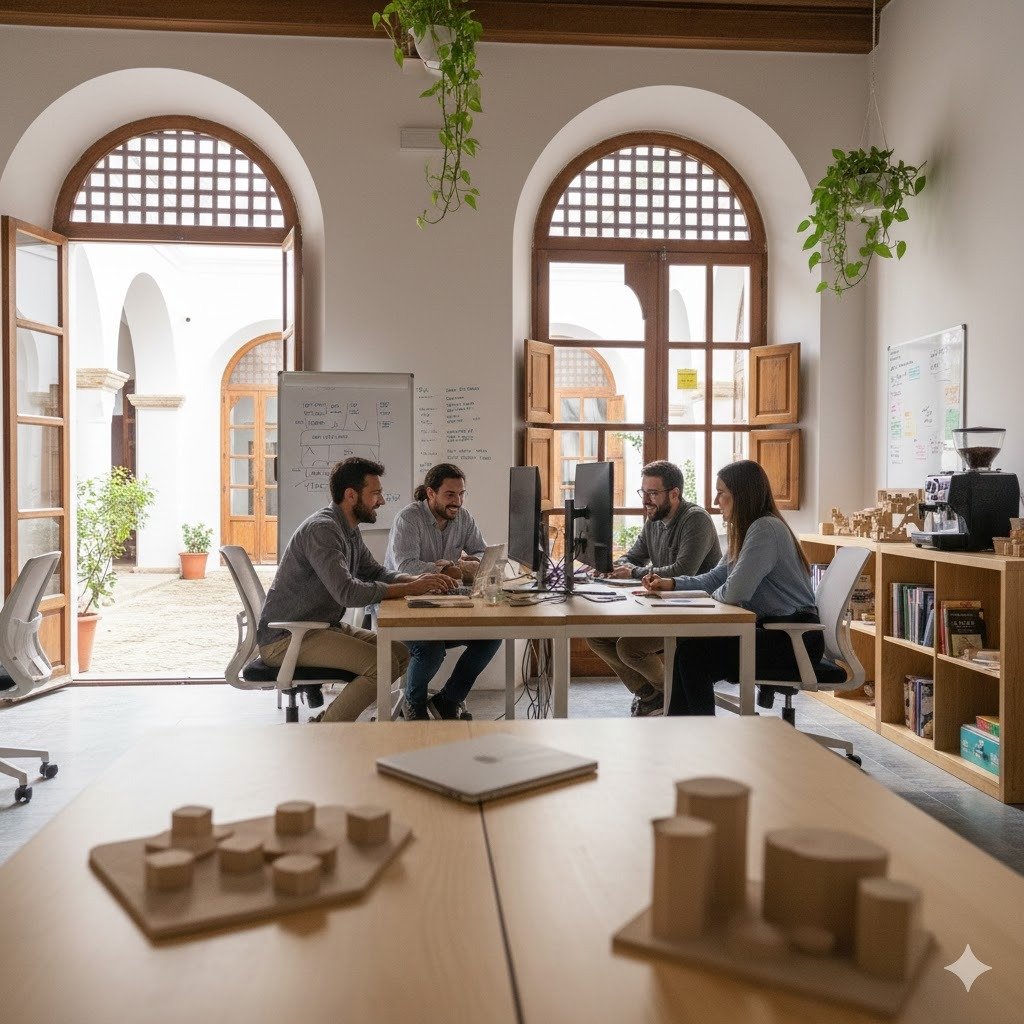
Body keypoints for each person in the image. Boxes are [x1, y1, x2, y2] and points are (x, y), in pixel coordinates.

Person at [257, 457, 456, 722]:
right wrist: (410, 587)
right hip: (287, 638)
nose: (381, 501)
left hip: (319, 627)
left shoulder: (347, 529)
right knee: (381, 666)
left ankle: (329, 719)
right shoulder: (323, 530)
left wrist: (416, 580)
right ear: (351, 495)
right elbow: (348, 593)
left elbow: (375, 572)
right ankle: (328, 729)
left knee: (400, 654)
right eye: (376, 493)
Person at [643, 459, 821, 716]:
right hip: (776, 633)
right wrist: (672, 583)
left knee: (692, 655)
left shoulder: (765, 529)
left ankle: (699, 732)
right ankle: (682, 731)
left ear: (741, 495)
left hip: (793, 640)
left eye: (721, 493)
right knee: (687, 651)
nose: (716, 501)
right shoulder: (750, 530)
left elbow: (735, 592)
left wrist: (713, 596)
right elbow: (716, 578)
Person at [587, 460, 721, 717]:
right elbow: (633, 557)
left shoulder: (696, 520)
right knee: (596, 635)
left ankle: (673, 696)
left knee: (629, 648)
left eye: (652, 493)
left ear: (674, 494)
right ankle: (651, 695)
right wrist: (613, 567)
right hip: (664, 607)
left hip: (696, 612)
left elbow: (683, 571)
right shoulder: (654, 520)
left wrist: (633, 572)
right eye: (643, 492)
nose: (645, 500)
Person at [384, 463, 501, 720]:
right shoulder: (408, 519)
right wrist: (450, 569)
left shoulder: (464, 517)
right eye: (450, 494)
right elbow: (406, 566)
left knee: (492, 636)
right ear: (430, 493)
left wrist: (473, 562)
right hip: (400, 608)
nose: (457, 501)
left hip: (441, 605)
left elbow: (481, 553)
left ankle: (449, 700)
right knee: (430, 647)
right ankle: (413, 705)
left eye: (461, 494)